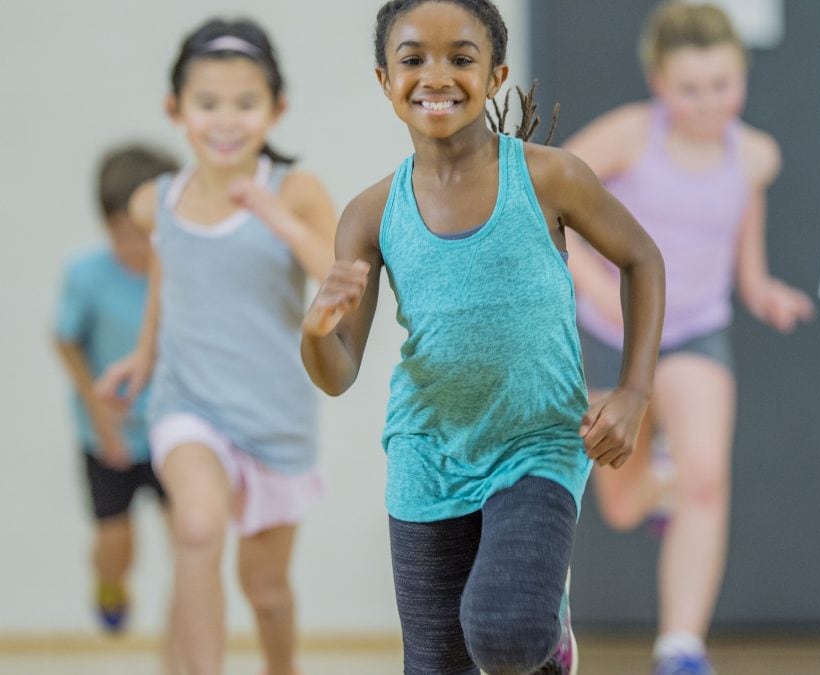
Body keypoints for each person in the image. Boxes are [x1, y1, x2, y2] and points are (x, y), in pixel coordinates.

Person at [299, 1, 665, 673]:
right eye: (413, 59)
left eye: (461, 59)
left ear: (496, 75)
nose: (436, 76)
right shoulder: (370, 213)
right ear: (385, 80)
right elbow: (337, 369)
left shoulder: (549, 177)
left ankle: (549, 638)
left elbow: (642, 259)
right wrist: (317, 330)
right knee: (437, 663)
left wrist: (636, 390)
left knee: (504, 631)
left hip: (537, 443)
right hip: (427, 454)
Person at [561, 3, 814, 672]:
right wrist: (591, 285)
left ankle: (681, 644)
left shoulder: (756, 154)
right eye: (690, 88)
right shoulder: (629, 136)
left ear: (743, 77)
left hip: (695, 331)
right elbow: (540, 194)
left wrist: (761, 289)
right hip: (610, 334)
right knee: (618, 502)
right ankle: (657, 482)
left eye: (724, 85)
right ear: (658, 82)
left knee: (707, 477)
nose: (709, 103)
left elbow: (738, 233)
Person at [97, 18, 336, 675]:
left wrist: (277, 217)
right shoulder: (157, 201)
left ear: (276, 109)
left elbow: (343, 273)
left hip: (275, 419)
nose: (225, 120)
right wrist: (145, 356)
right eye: (207, 104)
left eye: (245, 102)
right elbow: (166, 274)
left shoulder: (295, 188)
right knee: (197, 526)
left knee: (265, 588)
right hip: (188, 403)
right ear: (176, 111)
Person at [54, 144, 179, 639]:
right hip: (108, 435)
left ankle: (184, 640)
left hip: (171, 429)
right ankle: (109, 583)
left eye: (145, 236)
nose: (135, 248)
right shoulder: (86, 274)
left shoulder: (179, 274)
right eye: (121, 235)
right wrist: (97, 412)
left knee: (189, 541)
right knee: (117, 544)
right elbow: (65, 341)